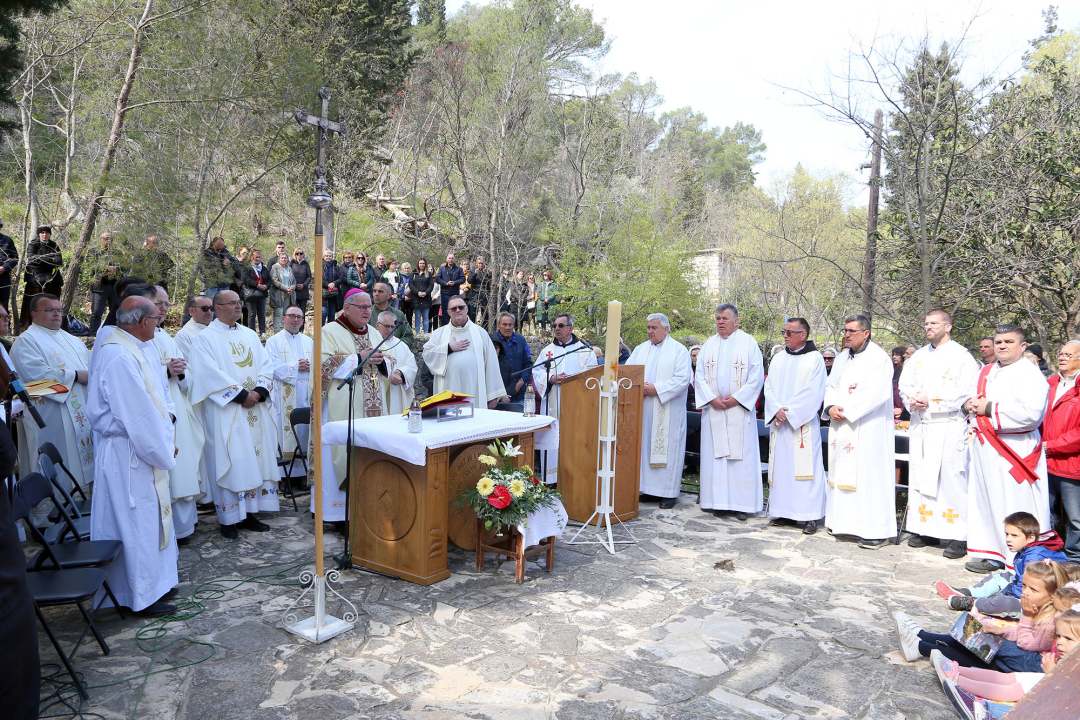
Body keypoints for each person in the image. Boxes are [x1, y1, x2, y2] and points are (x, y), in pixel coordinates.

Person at [87, 296, 178, 616]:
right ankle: (136, 597)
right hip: (130, 453)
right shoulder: (119, 356)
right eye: (155, 319)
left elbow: (157, 400)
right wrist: (165, 447)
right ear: (142, 323)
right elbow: (137, 416)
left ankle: (157, 585)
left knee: (150, 520)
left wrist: (167, 434)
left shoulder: (134, 347)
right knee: (135, 524)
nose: (158, 324)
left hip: (141, 447)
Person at [188, 290, 280, 538]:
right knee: (231, 459)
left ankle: (249, 514)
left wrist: (259, 392)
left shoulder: (249, 334)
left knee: (253, 459)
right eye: (233, 303)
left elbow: (266, 365)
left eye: (240, 302)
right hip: (226, 412)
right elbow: (207, 373)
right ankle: (228, 518)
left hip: (254, 408)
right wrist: (241, 395)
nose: (239, 306)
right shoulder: (205, 338)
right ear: (218, 307)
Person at [963, 324, 1052, 574]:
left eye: (1009, 342)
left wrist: (989, 408)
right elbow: (973, 399)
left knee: (1015, 503)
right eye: (999, 341)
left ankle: (1021, 558)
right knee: (988, 500)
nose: (1002, 346)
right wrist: (969, 404)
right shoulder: (987, 371)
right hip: (985, 448)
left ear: (1022, 346)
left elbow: (1031, 414)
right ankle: (993, 552)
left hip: (1015, 449)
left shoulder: (1030, 374)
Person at [899, 309, 981, 559]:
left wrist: (931, 401)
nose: (928, 327)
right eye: (926, 323)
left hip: (947, 424)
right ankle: (926, 529)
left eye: (934, 323)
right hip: (921, 424)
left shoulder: (962, 357)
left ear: (948, 327)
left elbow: (966, 391)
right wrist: (912, 400)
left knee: (950, 478)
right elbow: (905, 385)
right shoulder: (919, 356)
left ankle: (959, 535)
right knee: (922, 476)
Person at [312, 290, 398, 525]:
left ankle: (367, 508)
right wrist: (356, 358)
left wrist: (383, 363)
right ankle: (338, 514)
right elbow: (322, 365)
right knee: (340, 455)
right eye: (361, 307)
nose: (367, 311)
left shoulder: (372, 331)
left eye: (369, 307)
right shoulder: (329, 331)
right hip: (343, 407)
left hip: (373, 410)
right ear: (347, 308)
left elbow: (388, 360)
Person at [895, 560, 1064, 672]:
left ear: (1052, 595)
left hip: (1034, 664)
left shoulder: (1050, 620)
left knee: (983, 645)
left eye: (1033, 590)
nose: (1025, 593)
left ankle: (921, 645)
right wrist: (1004, 632)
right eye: (1024, 586)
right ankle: (921, 638)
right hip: (1026, 656)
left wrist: (1026, 615)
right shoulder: (1040, 608)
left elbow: (1026, 643)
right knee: (982, 644)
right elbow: (1025, 636)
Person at [822, 314, 897, 548]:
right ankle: (844, 524)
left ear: (866, 333)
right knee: (841, 471)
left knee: (869, 476)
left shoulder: (879, 358)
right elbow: (830, 385)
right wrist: (830, 406)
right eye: (845, 330)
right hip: (842, 426)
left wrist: (847, 410)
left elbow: (877, 392)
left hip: (868, 429)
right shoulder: (843, 357)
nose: (847, 335)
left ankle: (875, 530)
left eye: (852, 331)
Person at [11, 293, 94, 492]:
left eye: (59, 310)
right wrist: (74, 376)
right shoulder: (26, 342)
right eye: (50, 310)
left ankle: (82, 503)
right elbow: (34, 380)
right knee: (57, 460)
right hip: (51, 416)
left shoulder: (72, 340)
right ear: (34, 314)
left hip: (81, 414)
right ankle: (50, 512)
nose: (57, 314)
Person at [694, 303, 765, 522]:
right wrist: (711, 398)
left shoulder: (749, 343)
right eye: (717, 318)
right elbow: (699, 375)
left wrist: (737, 398)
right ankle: (717, 502)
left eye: (724, 318)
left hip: (739, 412)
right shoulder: (708, 345)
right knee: (717, 457)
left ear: (736, 321)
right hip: (715, 410)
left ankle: (741, 504)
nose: (720, 322)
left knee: (739, 459)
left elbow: (756, 375)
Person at [147, 286, 204, 543]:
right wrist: (166, 372)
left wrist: (180, 372)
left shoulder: (166, 336)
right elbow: (136, 378)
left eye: (167, 304)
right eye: (158, 303)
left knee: (182, 468)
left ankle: (185, 525)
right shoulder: (138, 338)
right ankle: (170, 529)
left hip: (176, 406)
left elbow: (186, 377)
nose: (163, 309)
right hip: (157, 411)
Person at [764, 317, 827, 534]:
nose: (785, 335)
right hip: (780, 424)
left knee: (805, 470)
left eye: (790, 332)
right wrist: (775, 410)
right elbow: (768, 387)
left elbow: (814, 391)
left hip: (802, 425)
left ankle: (809, 516)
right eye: (784, 331)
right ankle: (783, 511)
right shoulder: (778, 358)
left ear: (803, 335)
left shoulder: (815, 359)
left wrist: (787, 413)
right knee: (781, 468)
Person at [939, 512, 1066, 615]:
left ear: (1031, 537)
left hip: (1037, 603)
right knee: (1000, 578)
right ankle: (969, 592)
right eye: (1007, 534)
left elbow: (1024, 587)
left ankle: (973, 603)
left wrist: (1003, 597)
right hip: (1026, 590)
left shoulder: (1035, 556)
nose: (1008, 539)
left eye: (1014, 535)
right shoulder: (1029, 549)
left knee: (1004, 604)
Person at [626, 313, 692, 509]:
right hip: (644, 410)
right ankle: (646, 489)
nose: (650, 331)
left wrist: (657, 389)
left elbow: (683, 379)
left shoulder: (678, 350)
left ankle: (667, 493)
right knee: (645, 447)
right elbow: (628, 373)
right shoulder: (639, 349)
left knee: (668, 448)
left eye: (654, 327)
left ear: (666, 329)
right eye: (648, 327)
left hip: (668, 410)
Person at [533, 312, 599, 483]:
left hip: (577, 407)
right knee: (553, 440)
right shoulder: (547, 351)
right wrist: (551, 379)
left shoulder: (585, 351)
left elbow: (593, 378)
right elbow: (537, 372)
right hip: (553, 406)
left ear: (571, 328)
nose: (557, 329)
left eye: (561, 326)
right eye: (555, 326)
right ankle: (551, 480)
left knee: (574, 441)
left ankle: (574, 479)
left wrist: (572, 380)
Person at [422, 296, 505, 411]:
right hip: (447, 387)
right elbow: (427, 354)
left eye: (461, 307)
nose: (457, 310)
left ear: (466, 309)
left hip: (474, 389)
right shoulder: (439, 334)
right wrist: (448, 348)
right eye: (453, 308)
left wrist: (492, 395)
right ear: (448, 312)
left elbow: (491, 364)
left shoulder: (480, 333)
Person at [265, 306, 312, 485]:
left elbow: (318, 364)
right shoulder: (273, 341)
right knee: (282, 432)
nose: (295, 320)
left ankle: (301, 474)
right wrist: (294, 366)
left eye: (299, 317)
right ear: (283, 319)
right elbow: (270, 366)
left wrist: (309, 366)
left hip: (305, 392)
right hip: (282, 393)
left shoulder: (309, 341)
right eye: (292, 316)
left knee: (303, 432)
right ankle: (283, 475)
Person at [1044, 340, 1080, 561]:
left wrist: (1052, 446)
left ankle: (1075, 559)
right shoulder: (1050, 384)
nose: (1062, 357)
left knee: (1076, 517)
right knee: (1047, 513)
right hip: (1045, 461)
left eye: (1069, 354)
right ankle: (1051, 554)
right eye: (1061, 353)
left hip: (1071, 463)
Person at [373, 310, 417, 414]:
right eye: (386, 326)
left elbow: (412, 366)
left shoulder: (401, 345)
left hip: (397, 391)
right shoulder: (371, 343)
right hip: (378, 392)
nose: (390, 330)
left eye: (393, 327)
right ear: (377, 325)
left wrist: (401, 373)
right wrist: (388, 376)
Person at [20, 226, 63, 330]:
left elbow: (59, 261)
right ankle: (28, 327)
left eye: (47, 233)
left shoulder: (54, 245)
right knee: (32, 303)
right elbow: (31, 259)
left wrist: (41, 259)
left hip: (51, 279)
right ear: (39, 234)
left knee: (51, 302)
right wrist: (50, 259)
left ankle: (50, 325)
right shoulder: (33, 244)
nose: (44, 235)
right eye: (42, 233)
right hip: (34, 279)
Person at [489, 312, 533, 404]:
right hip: (497, 395)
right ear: (498, 325)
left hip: (519, 393)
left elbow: (528, 365)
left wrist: (520, 383)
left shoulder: (521, 340)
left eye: (510, 324)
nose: (507, 328)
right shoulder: (492, 341)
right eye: (504, 324)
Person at [87, 231, 122, 333]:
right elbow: (92, 265)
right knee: (96, 313)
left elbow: (125, 266)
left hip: (115, 287)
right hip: (99, 287)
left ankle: (114, 334)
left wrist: (117, 268)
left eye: (110, 238)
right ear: (100, 239)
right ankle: (93, 334)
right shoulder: (93, 251)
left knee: (116, 312)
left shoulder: (117, 253)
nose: (109, 240)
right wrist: (107, 268)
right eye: (106, 238)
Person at [175, 295, 213, 361]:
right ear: (192, 311)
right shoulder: (184, 336)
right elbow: (190, 363)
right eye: (205, 308)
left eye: (212, 308)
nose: (209, 312)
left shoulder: (220, 329)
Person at [241, 249, 269, 335]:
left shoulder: (263, 268)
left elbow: (269, 280)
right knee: (252, 314)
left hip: (262, 293)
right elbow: (245, 279)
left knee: (261, 313)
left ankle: (263, 332)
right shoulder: (247, 267)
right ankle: (252, 332)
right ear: (252, 257)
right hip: (251, 294)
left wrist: (266, 286)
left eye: (259, 257)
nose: (258, 259)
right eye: (256, 257)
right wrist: (256, 285)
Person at [434, 252, 465, 325]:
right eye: (449, 258)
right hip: (445, 293)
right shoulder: (442, 269)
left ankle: (456, 326)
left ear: (454, 259)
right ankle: (445, 328)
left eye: (452, 258)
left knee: (455, 312)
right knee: (445, 312)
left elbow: (463, 279)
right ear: (446, 259)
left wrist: (455, 282)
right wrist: (445, 283)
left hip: (455, 294)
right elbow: (437, 279)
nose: (451, 260)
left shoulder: (459, 269)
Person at [269, 252, 296, 333]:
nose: (284, 259)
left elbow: (294, 281)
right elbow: (274, 281)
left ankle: (284, 332)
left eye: (285, 258)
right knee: (279, 314)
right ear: (278, 259)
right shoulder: (275, 267)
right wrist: (285, 288)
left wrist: (291, 288)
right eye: (282, 258)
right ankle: (277, 333)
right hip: (278, 294)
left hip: (288, 295)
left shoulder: (289, 268)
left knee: (286, 314)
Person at [410, 258, 434, 335]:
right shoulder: (413, 273)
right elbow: (411, 284)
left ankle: (425, 332)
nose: (422, 265)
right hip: (416, 298)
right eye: (420, 263)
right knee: (417, 316)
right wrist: (417, 292)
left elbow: (431, 285)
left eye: (423, 263)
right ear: (418, 264)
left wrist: (426, 293)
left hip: (426, 298)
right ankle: (417, 333)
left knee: (425, 317)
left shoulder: (429, 274)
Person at [289, 248, 312, 327]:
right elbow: (289, 276)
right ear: (295, 255)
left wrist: (304, 285)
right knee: (293, 311)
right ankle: (293, 328)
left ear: (303, 254)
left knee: (302, 312)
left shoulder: (306, 264)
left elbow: (309, 277)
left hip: (303, 291)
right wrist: (295, 285)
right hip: (294, 291)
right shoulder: (291, 264)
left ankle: (301, 329)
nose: (299, 255)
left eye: (301, 253)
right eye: (297, 253)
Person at [322, 250, 344, 325]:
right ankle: (320, 332)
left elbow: (341, 278)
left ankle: (330, 332)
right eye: (326, 256)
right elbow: (318, 279)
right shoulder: (320, 266)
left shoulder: (336, 267)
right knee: (323, 313)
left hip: (334, 293)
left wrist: (334, 283)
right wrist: (328, 285)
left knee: (332, 313)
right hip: (323, 293)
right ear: (323, 257)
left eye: (329, 256)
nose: (328, 257)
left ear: (332, 257)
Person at [0, 220, 17, 311]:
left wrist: (5, 267)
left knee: (4, 304)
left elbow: (15, 258)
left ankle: (5, 325)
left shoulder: (7, 240)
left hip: (4, 278)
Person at [470, 257, 492, 326]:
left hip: (484, 294)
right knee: (473, 313)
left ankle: (485, 329)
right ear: (476, 264)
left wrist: (488, 274)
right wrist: (474, 274)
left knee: (485, 313)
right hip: (474, 294)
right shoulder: (473, 271)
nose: (480, 265)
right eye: (479, 263)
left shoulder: (487, 272)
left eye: (482, 263)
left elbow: (491, 281)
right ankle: (472, 327)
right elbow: (469, 281)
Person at [399, 261, 413, 328]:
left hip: (411, 299)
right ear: (402, 269)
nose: (406, 270)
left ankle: (409, 329)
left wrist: (410, 296)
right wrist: (404, 296)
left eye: (408, 268)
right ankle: (401, 329)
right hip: (402, 298)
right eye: (405, 268)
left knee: (409, 315)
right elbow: (400, 288)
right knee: (401, 314)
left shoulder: (412, 276)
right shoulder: (400, 277)